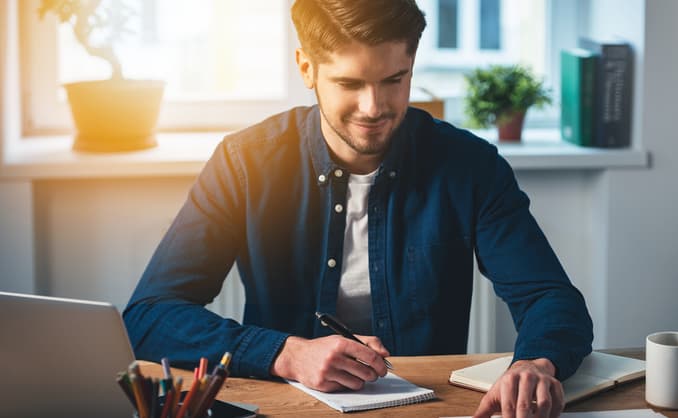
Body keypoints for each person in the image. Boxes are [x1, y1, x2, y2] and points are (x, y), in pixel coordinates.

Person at [124, 1, 593, 417]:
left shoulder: (470, 166)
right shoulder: (245, 162)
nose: (374, 107)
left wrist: (535, 363)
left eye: (395, 80)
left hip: (432, 409)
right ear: (306, 68)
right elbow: (149, 314)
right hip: (285, 408)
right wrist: (286, 353)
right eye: (350, 83)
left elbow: (550, 298)